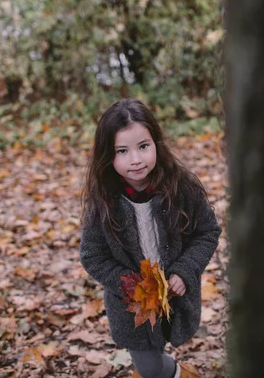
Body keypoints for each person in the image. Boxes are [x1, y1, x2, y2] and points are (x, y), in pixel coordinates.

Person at [79, 98, 222, 378]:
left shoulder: (181, 188)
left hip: (175, 294)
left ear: (156, 143)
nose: (135, 160)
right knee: (150, 367)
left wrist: (185, 270)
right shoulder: (104, 202)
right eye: (122, 151)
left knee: (161, 345)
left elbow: (208, 232)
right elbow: (92, 255)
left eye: (143, 147)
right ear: (107, 155)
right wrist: (128, 284)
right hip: (130, 306)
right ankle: (176, 373)